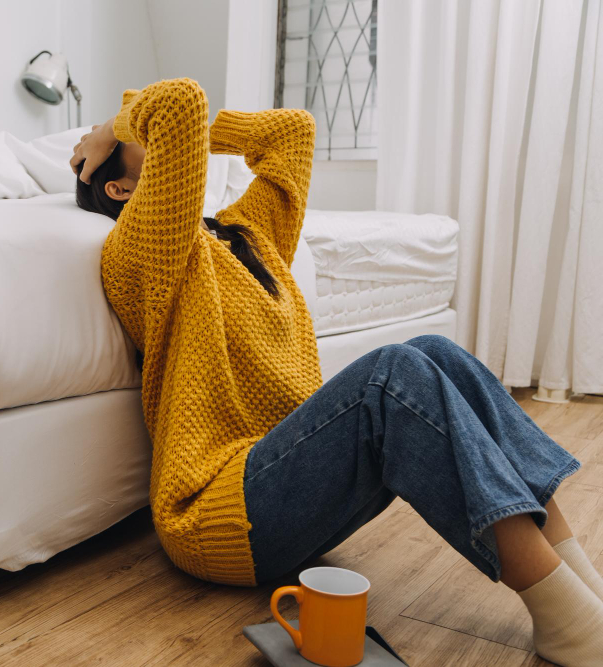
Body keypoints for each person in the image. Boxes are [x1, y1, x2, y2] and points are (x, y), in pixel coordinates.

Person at [70, 77, 601, 665]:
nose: (150, 132)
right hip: (218, 511)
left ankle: (579, 586)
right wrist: (114, 127)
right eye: (136, 139)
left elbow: (291, 132)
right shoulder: (140, 255)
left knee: (436, 352)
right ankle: (567, 621)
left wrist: (123, 129)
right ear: (120, 188)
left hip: (286, 475)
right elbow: (177, 110)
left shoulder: (244, 232)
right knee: (389, 375)